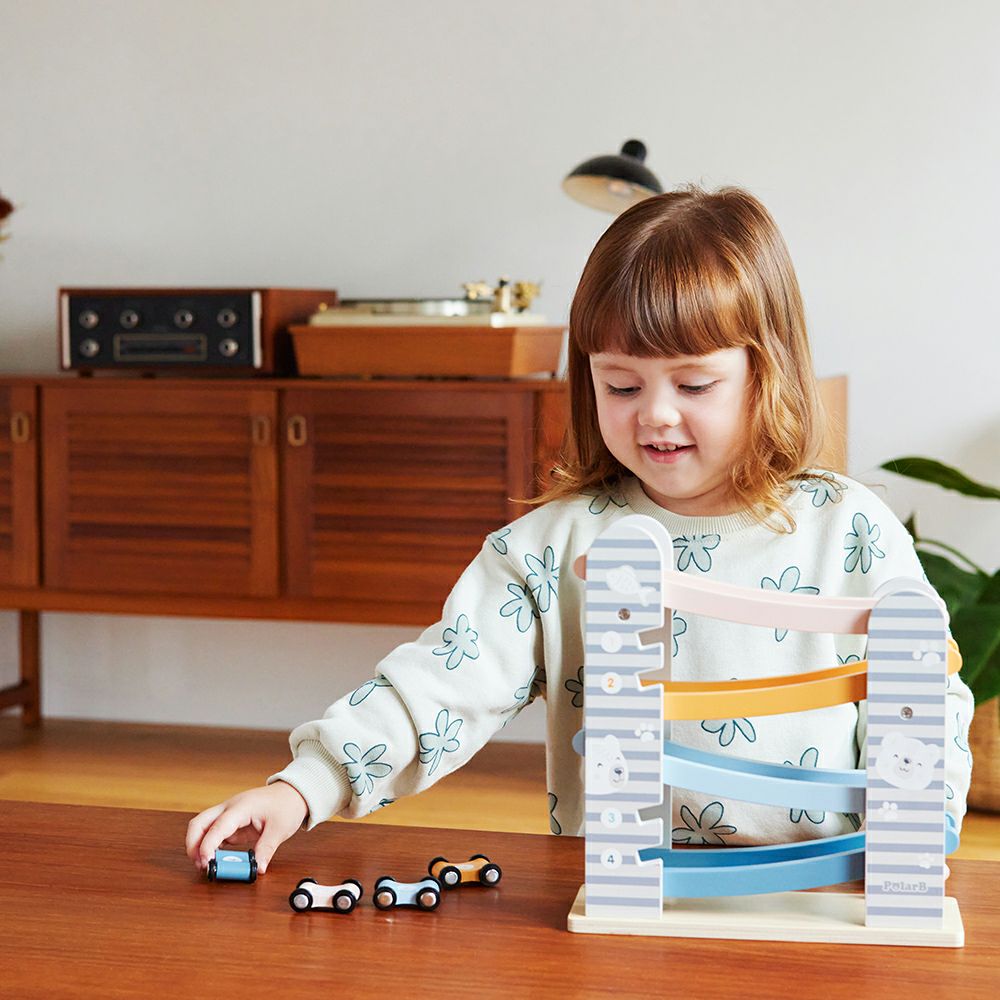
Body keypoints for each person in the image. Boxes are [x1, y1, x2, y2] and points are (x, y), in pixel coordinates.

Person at [186, 185, 974, 874]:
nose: (655, 414)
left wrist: (922, 826)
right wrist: (305, 787)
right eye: (621, 385)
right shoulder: (553, 549)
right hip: (623, 901)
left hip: (830, 895)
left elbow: (926, 695)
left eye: (694, 383)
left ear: (765, 373)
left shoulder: (849, 529)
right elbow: (440, 685)